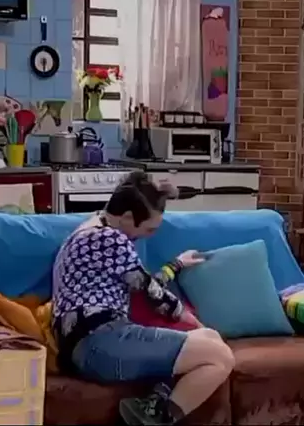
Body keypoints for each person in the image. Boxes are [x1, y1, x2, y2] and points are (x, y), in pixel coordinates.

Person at [52, 170, 235, 425]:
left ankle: (155, 404)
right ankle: (153, 417)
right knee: (221, 356)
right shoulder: (108, 238)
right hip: (99, 343)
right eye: (149, 229)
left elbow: (141, 282)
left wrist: (175, 265)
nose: (149, 235)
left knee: (211, 338)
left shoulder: (91, 230)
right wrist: (190, 319)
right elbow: (152, 294)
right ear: (128, 217)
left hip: (93, 344)